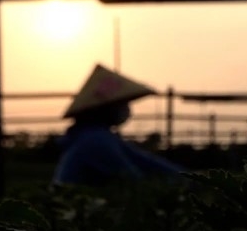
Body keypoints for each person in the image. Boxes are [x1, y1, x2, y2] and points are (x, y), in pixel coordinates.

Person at [51, 64, 185, 188]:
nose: (127, 109)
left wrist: (187, 177)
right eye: (123, 103)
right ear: (107, 107)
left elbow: (144, 161)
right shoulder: (95, 140)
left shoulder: (97, 136)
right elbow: (132, 178)